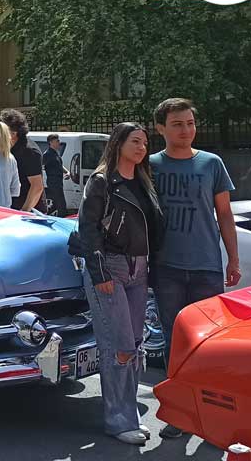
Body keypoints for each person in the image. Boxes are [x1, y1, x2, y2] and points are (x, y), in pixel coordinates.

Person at [149, 98, 239, 439]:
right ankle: (180, 415)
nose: (186, 130)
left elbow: (225, 215)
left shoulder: (212, 163)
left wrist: (233, 258)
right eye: (177, 124)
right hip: (167, 266)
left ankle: (216, 417)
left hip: (206, 266)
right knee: (176, 342)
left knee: (212, 344)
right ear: (161, 129)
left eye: (190, 123)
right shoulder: (151, 165)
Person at [74, 122, 164, 446]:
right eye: (135, 141)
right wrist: (100, 274)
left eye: (144, 142)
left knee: (135, 344)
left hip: (139, 269)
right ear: (119, 144)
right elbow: (88, 228)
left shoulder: (143, 181)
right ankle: (118, 419)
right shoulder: (101, 181)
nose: (141, 147)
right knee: (120, 346)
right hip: (109, 267)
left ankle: (129, 415)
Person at [0, 109, 44, 212]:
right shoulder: (8, 148)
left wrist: (24, 212)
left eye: (1, 130)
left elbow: (37, 186)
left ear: (13, 133)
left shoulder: (29, 151)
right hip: (12, 208)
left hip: (28, 213)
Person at [43, 133, 71, 216]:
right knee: (62, 206)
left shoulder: (56, 153)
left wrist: (67, 172)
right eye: (57, 140)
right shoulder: (47, 154)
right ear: (51, 142)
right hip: (53, 182)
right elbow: (40, 164)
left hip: (58, 182)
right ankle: (63, 223)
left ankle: (44, 216)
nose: (59, 142)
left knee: (55, 205)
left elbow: (59, 165)